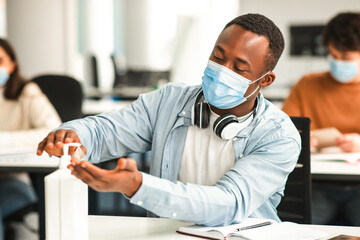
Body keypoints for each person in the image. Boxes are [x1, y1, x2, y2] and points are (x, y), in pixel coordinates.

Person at [38, 13, 301, 226]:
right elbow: (108, 129)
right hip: (167, 234)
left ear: (265, 80)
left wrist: (139, 186)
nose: (222, 71)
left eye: (239, 68)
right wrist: (73, 133)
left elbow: (228, 203)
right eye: (218, 57)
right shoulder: (169, 101)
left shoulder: (279, 135)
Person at [282, 12, 360, 225]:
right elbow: (282, 131)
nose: (337, 62)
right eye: (333, 55)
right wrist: (300, 139)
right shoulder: (307, 85)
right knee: (292, 231)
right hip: (315, 185)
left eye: (345, 58)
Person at [0, 39, 61, 239]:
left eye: (0, 60)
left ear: (12, 64)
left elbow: (53, 130)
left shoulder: (27, 92)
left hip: (12, 181)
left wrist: (6, 140)